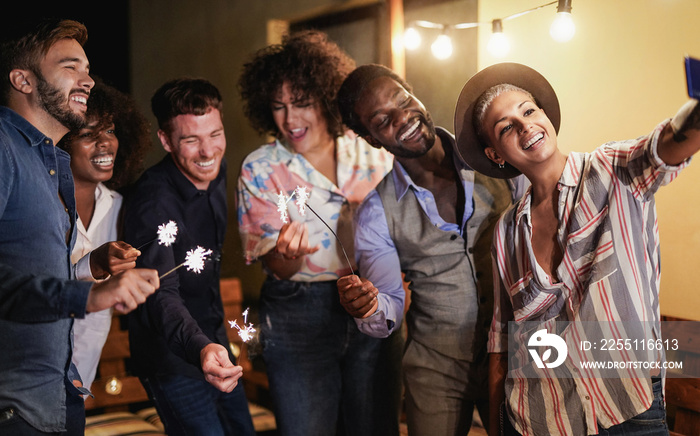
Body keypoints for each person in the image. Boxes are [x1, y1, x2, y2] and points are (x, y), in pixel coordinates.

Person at [454, 62, 700, 436]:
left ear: (545, 116)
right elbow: (503, 342)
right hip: (541, 417)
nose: (525, 127)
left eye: (528, 110)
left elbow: (666, 146)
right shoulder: (507, 231)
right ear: (495, 155)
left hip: (630, 408)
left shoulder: (611, 170)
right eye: (506, 127)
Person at [334, 63, 526, 436]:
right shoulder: (376, 210)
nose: (403, 116)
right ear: (372, 139)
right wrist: (369, 306)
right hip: (435, 367)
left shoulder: (494, 156)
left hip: (515, 352)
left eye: (403, 99)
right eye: (382, 119)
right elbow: (388, 302)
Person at [236, 31, 401, 436]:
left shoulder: (372, 152)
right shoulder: (260, 168)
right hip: (297, 314)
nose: (290, 120)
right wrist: (288, 256)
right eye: (278, 107)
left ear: (326, 98)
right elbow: (276, 265)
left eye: (302, 103)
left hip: (372, 303)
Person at [0, 18, 159, 434]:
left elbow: (34, 274)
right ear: (23, 79)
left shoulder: (50, 163)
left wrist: (92, 271)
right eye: (71, 67)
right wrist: (88, 296)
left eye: (86, 69)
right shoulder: (3, 147)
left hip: (59, 393)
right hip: (15, 405)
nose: (87, 80)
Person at [122, 77, 256, 436]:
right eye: (191, 140)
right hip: (172, 357)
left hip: (215, 341)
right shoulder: (152, 203)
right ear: (166, 141)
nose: (208, 152)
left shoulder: (216, 169)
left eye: (215, 134)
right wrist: (200, 348)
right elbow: (159, 293)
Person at [58, 77, 151, 392]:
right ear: (60, 141)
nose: (105, 143)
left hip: (82, 375)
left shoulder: (119, 208)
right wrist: (92, 266)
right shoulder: (40, 206)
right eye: (87, 134)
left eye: (110, 131)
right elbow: (30, 291)